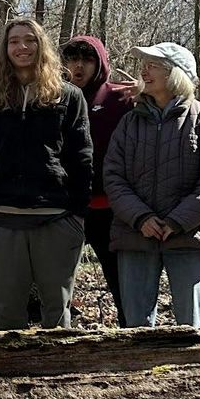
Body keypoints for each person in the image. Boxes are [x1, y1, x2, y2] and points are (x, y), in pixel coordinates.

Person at [0, 18, 93, 331]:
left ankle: (57, 378)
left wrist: (77, 213)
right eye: (14, 41)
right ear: (5, 49)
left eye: (30, 40)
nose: (22, 47)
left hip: (56, 217)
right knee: (7, 314)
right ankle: (8, 379)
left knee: (56, 312)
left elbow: (82, 157)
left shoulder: (69, 96)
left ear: (42, 46)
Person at [104, 43, 200, 329]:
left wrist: (177, 221)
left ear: (176, 74)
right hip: (135, 235)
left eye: (153, 65)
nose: (144, 71)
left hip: (190, 237)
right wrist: (141, 217)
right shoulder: (129, 123)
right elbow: (113, 177)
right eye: (145, 64)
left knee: (191, 325)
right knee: (135, 327)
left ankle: (192, 375)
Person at [60, 35, 135, 325]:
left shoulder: (123, 98)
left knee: (120, 281)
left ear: (100, 63)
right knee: (57, 283)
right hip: (68, 208)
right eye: (72, 59)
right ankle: (57, 340)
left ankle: (131, 335)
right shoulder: (56, 97)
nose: (78, 66)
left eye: (87, 60)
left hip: (113, 209)